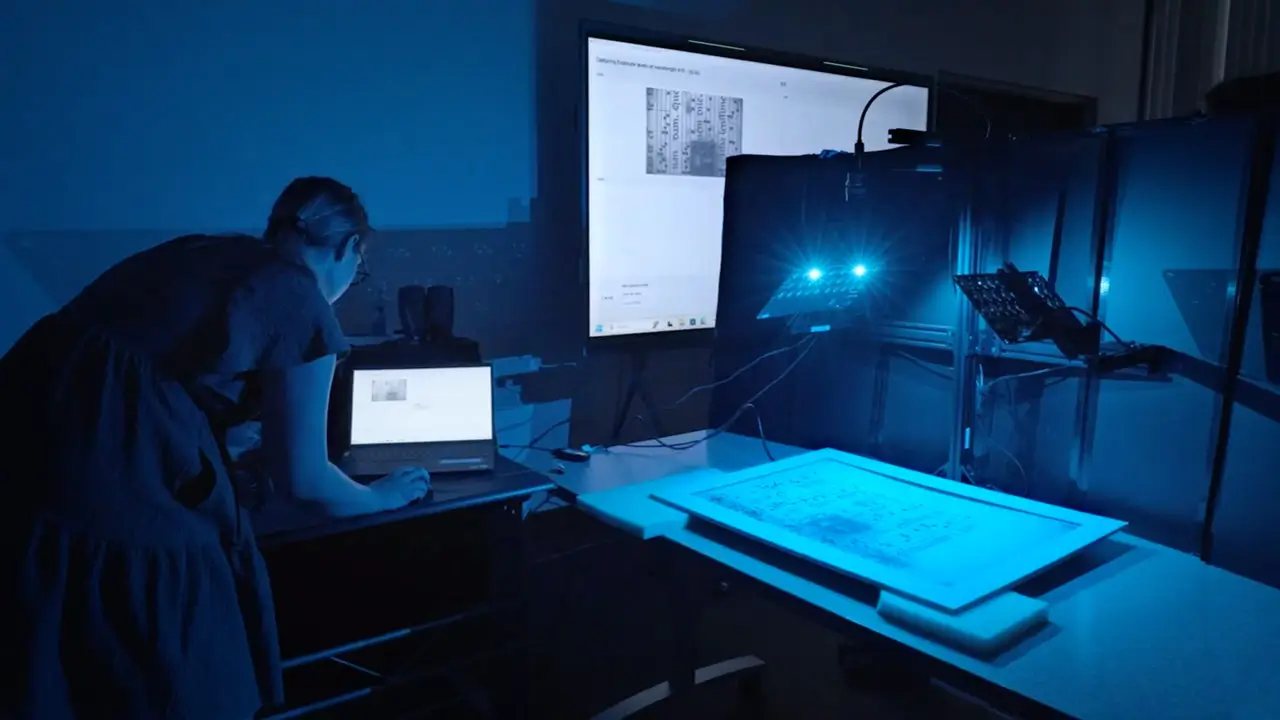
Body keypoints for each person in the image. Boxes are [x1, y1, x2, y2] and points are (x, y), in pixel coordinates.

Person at [0, 177, 431, 719]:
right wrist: (382, 496)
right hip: (111, 478)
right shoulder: (297, 295)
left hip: (29, 441)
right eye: (360, 271)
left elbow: (148, 365)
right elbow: (305, 482)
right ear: (348, 250)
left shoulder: (205, 251)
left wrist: (212, 435)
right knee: (178, 644)